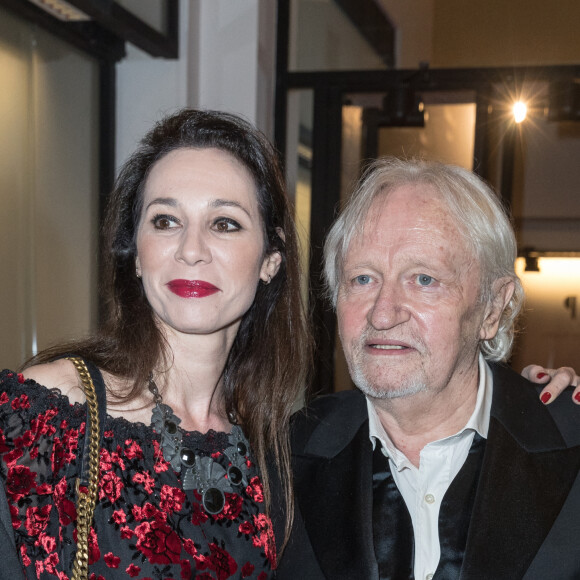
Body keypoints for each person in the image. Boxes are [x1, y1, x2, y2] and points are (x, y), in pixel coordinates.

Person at [0, 109, 311, 579]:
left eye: (224, 223)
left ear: (271, 258)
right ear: (137, 256)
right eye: (165, 221)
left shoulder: (276, 459)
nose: (191, 249)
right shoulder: (48, 414)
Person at [278, 158, 580, 579]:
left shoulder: (569, 441)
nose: (383, 314)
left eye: (423, 279)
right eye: (362, 279)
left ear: (493, 307)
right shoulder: (282, 456)